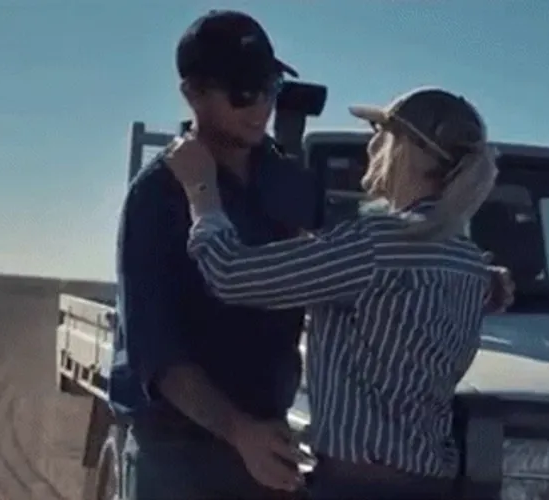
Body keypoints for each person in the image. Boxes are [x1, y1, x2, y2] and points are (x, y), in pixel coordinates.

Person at [166, 87, 513, 499]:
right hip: (431, 485)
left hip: (356, 486)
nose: (372, 146)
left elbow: (229, 274)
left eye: (380, 133)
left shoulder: (376, 244)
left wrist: (201, 191)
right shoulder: (468, 263)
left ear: (410, 150)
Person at [107, 10, 323, 499]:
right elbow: (156, 352)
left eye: (269, 87)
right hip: (179, 453)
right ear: (192, 93)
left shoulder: (294, 185)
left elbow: (349, 266)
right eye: (242, 91)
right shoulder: (158, 195)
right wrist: (239, 431)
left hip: (270, 443)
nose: (260, 106)